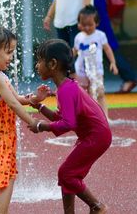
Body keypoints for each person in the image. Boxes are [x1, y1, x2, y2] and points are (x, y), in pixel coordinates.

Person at [28, 39, 111, 214]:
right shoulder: (66, 87)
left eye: (39, 60)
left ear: (52, 64)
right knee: (68, 174)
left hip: (95, 137)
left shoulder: (66, 90)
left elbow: (68, 124)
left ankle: (97, 207)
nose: (37, 65)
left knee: (67, 173)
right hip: (95, 135)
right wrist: (39, 106)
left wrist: (41, 126)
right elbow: (62, 117)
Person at [45, 0, 137, 93]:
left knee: (99, 44)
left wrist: (85, 15)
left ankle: (124, 77)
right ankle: (75, 89)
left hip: (89, 9)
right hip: (81, 10)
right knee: (95, 44)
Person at [0, 25, 47, 214]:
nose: (11, 57)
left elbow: (18, 99)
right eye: (8, 52)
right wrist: (32, 122)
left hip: (3, 136)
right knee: (6, 180)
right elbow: (14, 105)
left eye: (12, 52)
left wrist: (34, 99)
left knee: (8, 177)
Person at [74, 5, 118, 118]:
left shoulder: (100, 35)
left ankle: (105, 117)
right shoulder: (79, 37)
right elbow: (74, 51)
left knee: (100, 92)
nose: (87, 28)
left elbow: (107, 49)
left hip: (96, 70)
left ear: (97, 23)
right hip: (81, 71)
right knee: (84, 94)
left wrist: (113, 63)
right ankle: (87, 116)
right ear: (78, 24)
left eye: (90, 25)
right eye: (83, 25)